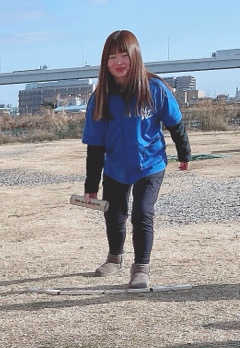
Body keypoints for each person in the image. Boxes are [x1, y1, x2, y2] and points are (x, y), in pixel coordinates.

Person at [82, 29, 191, 290]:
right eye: (111, 57)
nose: (118, 62)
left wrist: (184, 153)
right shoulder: (100, 98)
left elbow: (175, 124)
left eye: (124, 55)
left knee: (143, 213)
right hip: (116, 167)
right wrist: (90, 186)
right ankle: (114, 258)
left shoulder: (154, 88)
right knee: (115, 214)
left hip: (150, 164)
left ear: (136, 56)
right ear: (105, 63)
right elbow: (95, 146)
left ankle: (141, 267)